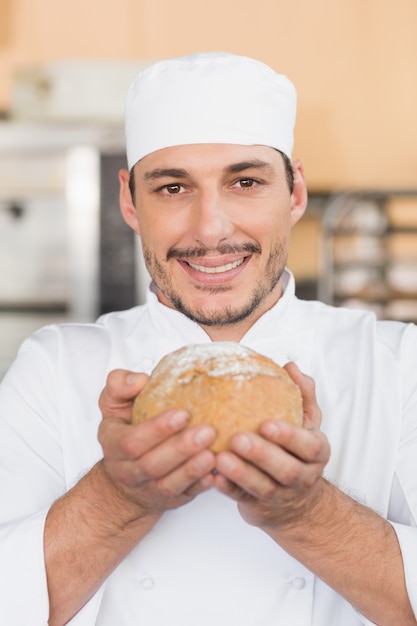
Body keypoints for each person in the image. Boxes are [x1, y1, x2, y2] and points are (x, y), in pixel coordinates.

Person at [0, 52, 416, 626]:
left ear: (295, 193)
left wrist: (305, 512)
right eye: (173, 188)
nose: (211, 229)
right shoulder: (54, 368)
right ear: (130, 201)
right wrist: (118, 498)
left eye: (245, 182)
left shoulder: (397, 365)